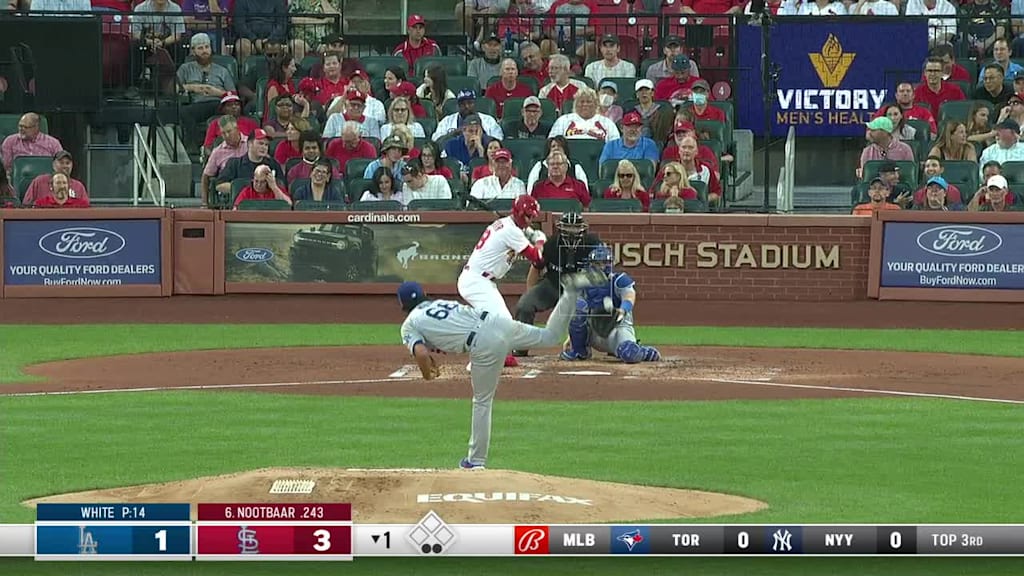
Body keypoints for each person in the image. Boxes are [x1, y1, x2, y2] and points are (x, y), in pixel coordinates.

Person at [395, 268, 606, 469]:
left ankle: (475, 461)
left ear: (402, 305)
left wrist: (427, 374)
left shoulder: (410, 323)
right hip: (497, 322)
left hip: (483, 343)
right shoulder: (439, 303)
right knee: (550, 336)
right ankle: (570, 291)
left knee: (482, 401)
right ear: (424, 293)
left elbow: (421, 353)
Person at [459, 194, 548, 369]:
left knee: (499, 319)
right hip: (476, 281)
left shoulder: (511, 227)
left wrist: (528, 233)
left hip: (483, 281)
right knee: (500, 319)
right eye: (529, 216)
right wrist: (539, 240)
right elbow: (537, 259)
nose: (531, 220)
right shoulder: (510, 231)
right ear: (520, 214)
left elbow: (520, 234)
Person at [512, 210, 601, 357]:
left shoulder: (593, 244)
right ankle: (521, 345)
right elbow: (536, 269)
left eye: (575, 228)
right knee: (525, 305)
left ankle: (581, 344)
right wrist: (530, 293)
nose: (572, 233)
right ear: (560, 229)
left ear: (583, 229)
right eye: (568, 228)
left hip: (580, 290)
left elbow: (600, 275)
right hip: (553, 284)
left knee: (585, 309)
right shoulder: (551, 244)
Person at [561, 244, 661, 363]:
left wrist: (623, 310)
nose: (601, 267)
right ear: (590, 265)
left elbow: (629, 296)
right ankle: (580, 351)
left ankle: (642, 351)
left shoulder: (619, 279)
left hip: (617, 328)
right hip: (594, 330)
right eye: (597, 264)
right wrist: (572, 337)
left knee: (630, 354)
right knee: (578, 305)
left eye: (604, 263)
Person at [548, 87, 620, 142]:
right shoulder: (563, 120)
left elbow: (615, 145)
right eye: (582, 102)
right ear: (575, 104)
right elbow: (552, 142)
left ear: (596, 104)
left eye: (589, 102)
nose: (585, 104)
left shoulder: (607, 123)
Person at [23, 150, 89, 206]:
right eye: (61, 163)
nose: (65, 166)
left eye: (67, 163)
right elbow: (26, 206)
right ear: (53, 165)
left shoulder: (79, 186)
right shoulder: (39, 181)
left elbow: (87, 211)